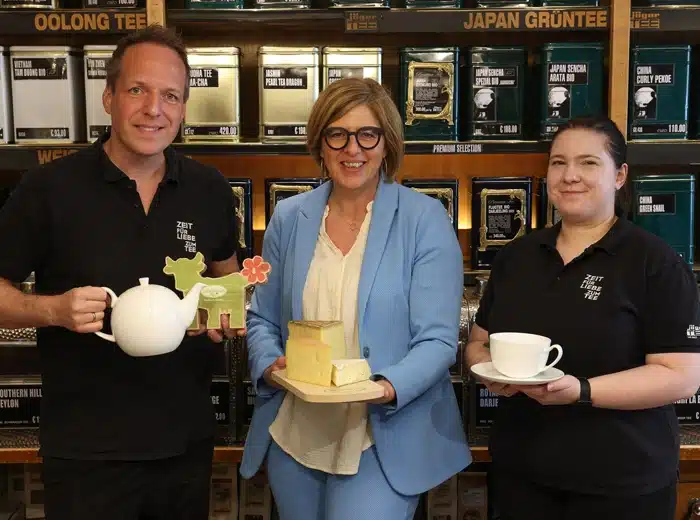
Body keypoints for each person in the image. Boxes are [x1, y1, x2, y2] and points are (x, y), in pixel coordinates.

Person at [0, 25, 243, 520]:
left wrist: (225, 318)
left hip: (185, 446)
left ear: (183, 108)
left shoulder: (210, 190)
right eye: (138, 90)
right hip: (86, 453)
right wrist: (50, 309)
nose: (154, 108)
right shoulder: (49, 189)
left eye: (171, 96)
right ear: (109, 97)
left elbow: (228, 286)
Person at [239, 77, 471, 519]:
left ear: (387, 143)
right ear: (320, 144)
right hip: (297, 432)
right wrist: (270, 362)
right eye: (337, 134)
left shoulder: (425, 219)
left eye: (368, 134)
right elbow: (262, 319)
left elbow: (439, 340)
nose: (353, 149)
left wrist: (387, 387)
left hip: (382, 433)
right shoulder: (288, 218)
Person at [465, 116, 700, 520]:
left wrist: (582, 390)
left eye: (589, 163)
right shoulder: (517, 257)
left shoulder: (654, 261)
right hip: (523, 474)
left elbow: (681, 375)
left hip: (623, 482)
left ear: (620, 175)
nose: (570, 175)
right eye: (559, 163)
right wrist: (489, 373)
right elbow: (478, 344)